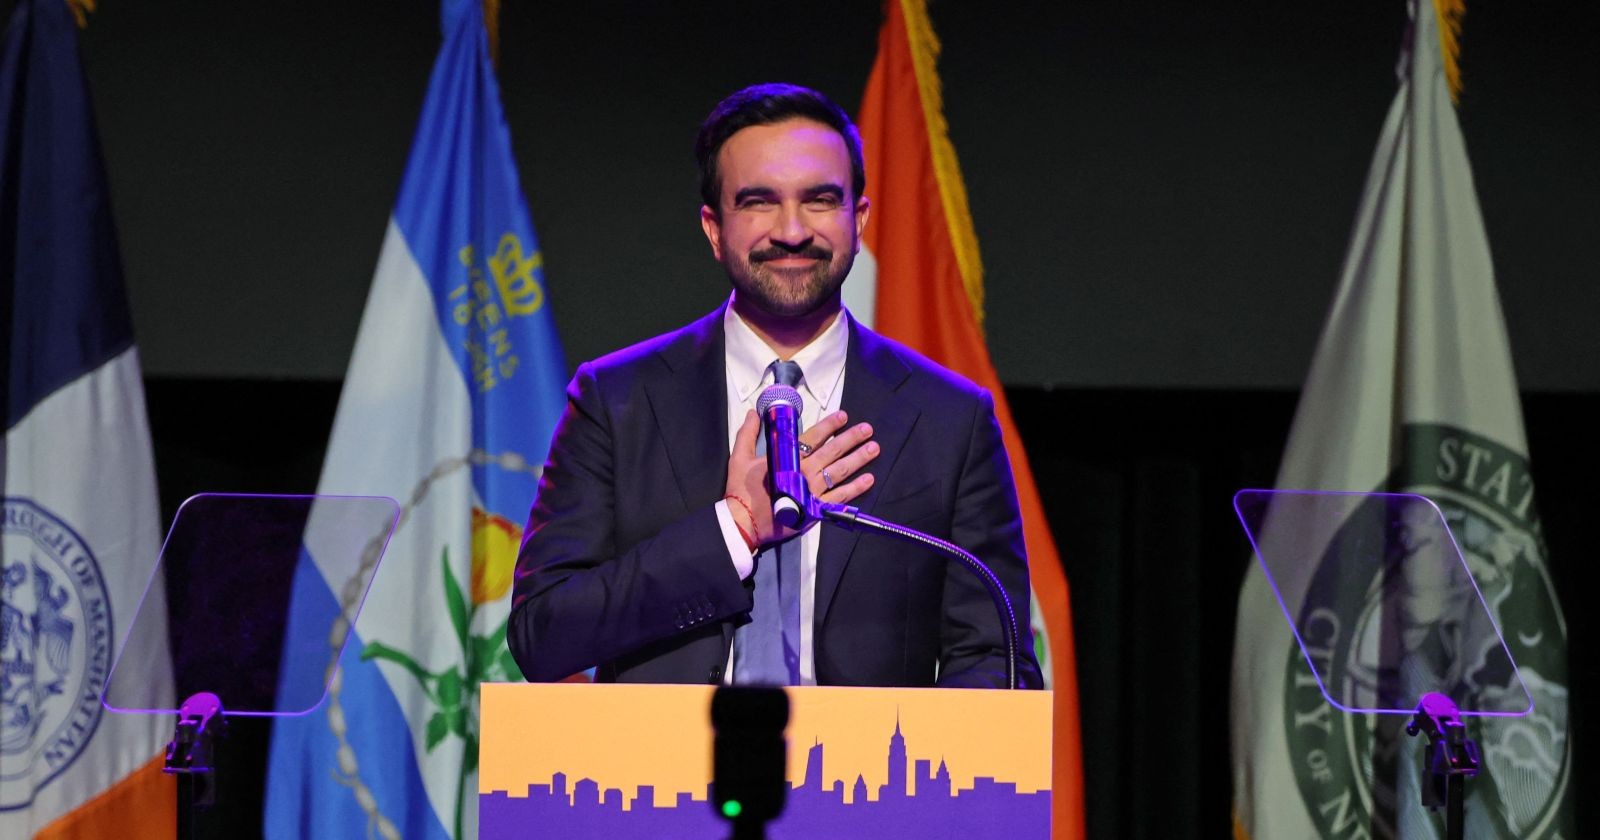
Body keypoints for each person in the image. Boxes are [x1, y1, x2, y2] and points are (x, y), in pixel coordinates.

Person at [507, 83, 1041, 689]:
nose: (791, 230)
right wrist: (734, 531)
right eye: (759, 202)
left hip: (869, 781)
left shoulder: (950, 419)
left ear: (858, 220)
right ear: (714, 228)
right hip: (660, 779)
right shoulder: (616, 400)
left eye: (819, 200)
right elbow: (542, 636)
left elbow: (994, 659)